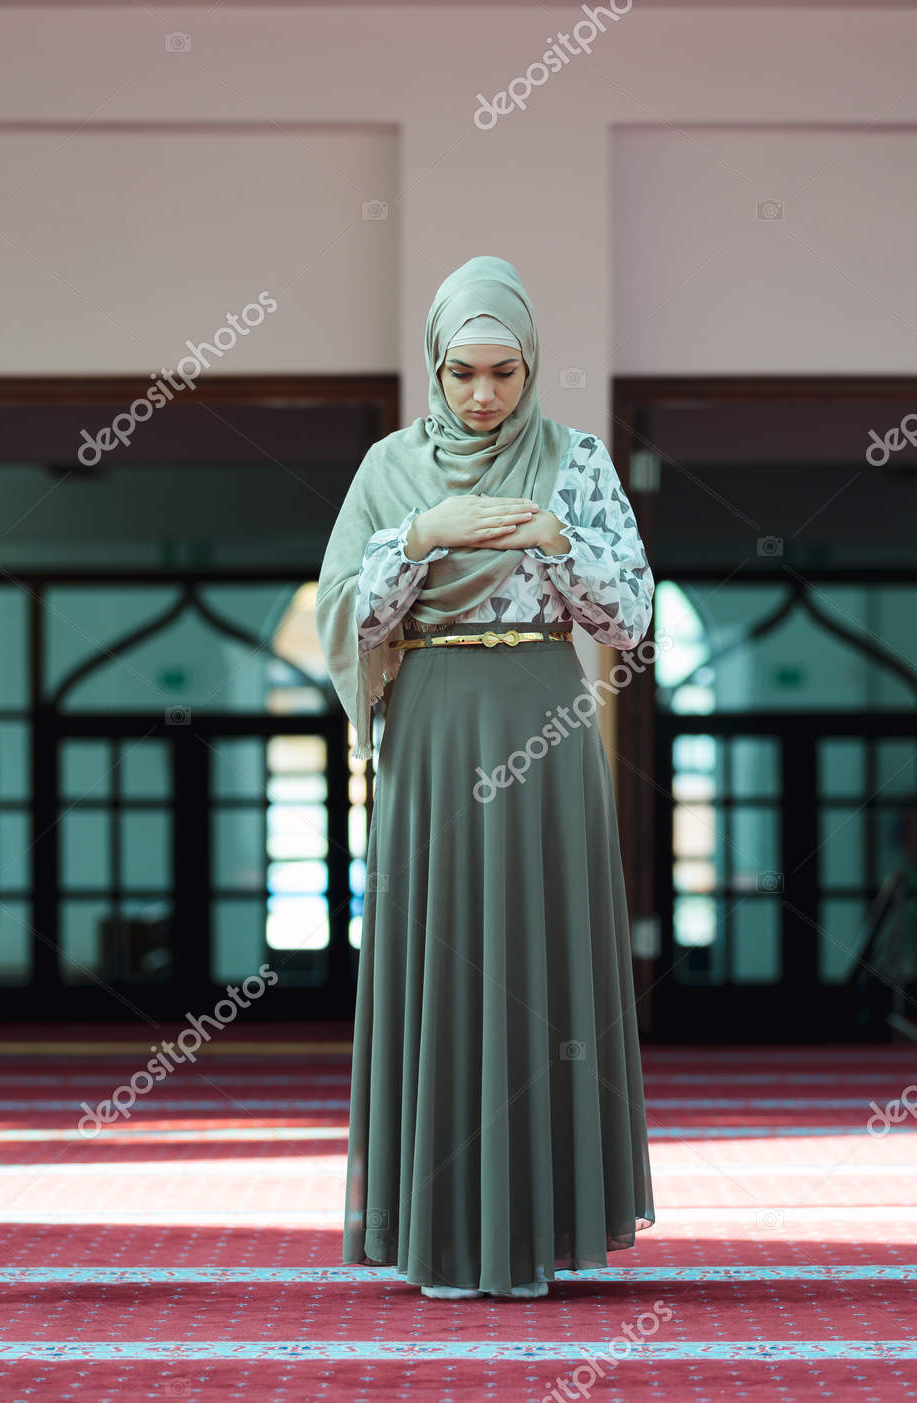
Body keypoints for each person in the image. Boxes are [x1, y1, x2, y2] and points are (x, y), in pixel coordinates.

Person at [298, 254, 655, 1300]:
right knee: (441, 956)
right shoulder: (387, 471)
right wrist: (420, 535)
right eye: (462, 374)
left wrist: (554, 538)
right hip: (432, 724)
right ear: (435, 368)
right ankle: (441, 1235)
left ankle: (536, 1232)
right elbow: (342, 620)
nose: (484, 396)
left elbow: (630, 617)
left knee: (540, 961)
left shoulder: (577, 463)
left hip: (545, 720)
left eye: (504, 372)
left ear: (531, 366)